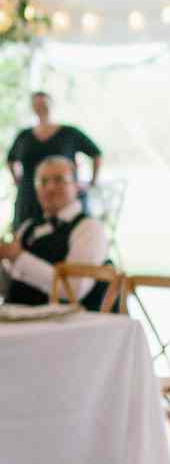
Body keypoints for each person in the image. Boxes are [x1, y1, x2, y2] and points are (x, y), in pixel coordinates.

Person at [1, 156, 112, 309]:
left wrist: (18, 257)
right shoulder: (27, 227)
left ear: (76, 185)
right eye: (43, 182)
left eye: (59, 180)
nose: (50, 188)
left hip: (63, 327)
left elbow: (74, 289)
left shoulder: (89, 228)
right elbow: (10, 286)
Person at [7, 91, 103, 232]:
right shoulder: (24, 135)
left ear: (52, 105)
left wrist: (92, 183)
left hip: (63, 199)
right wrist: (17, 179)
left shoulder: (70, 132)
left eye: (44, 103)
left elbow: (96, 154)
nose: (40, 107)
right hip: (28, 198)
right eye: (36, 104)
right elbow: (10, 160)